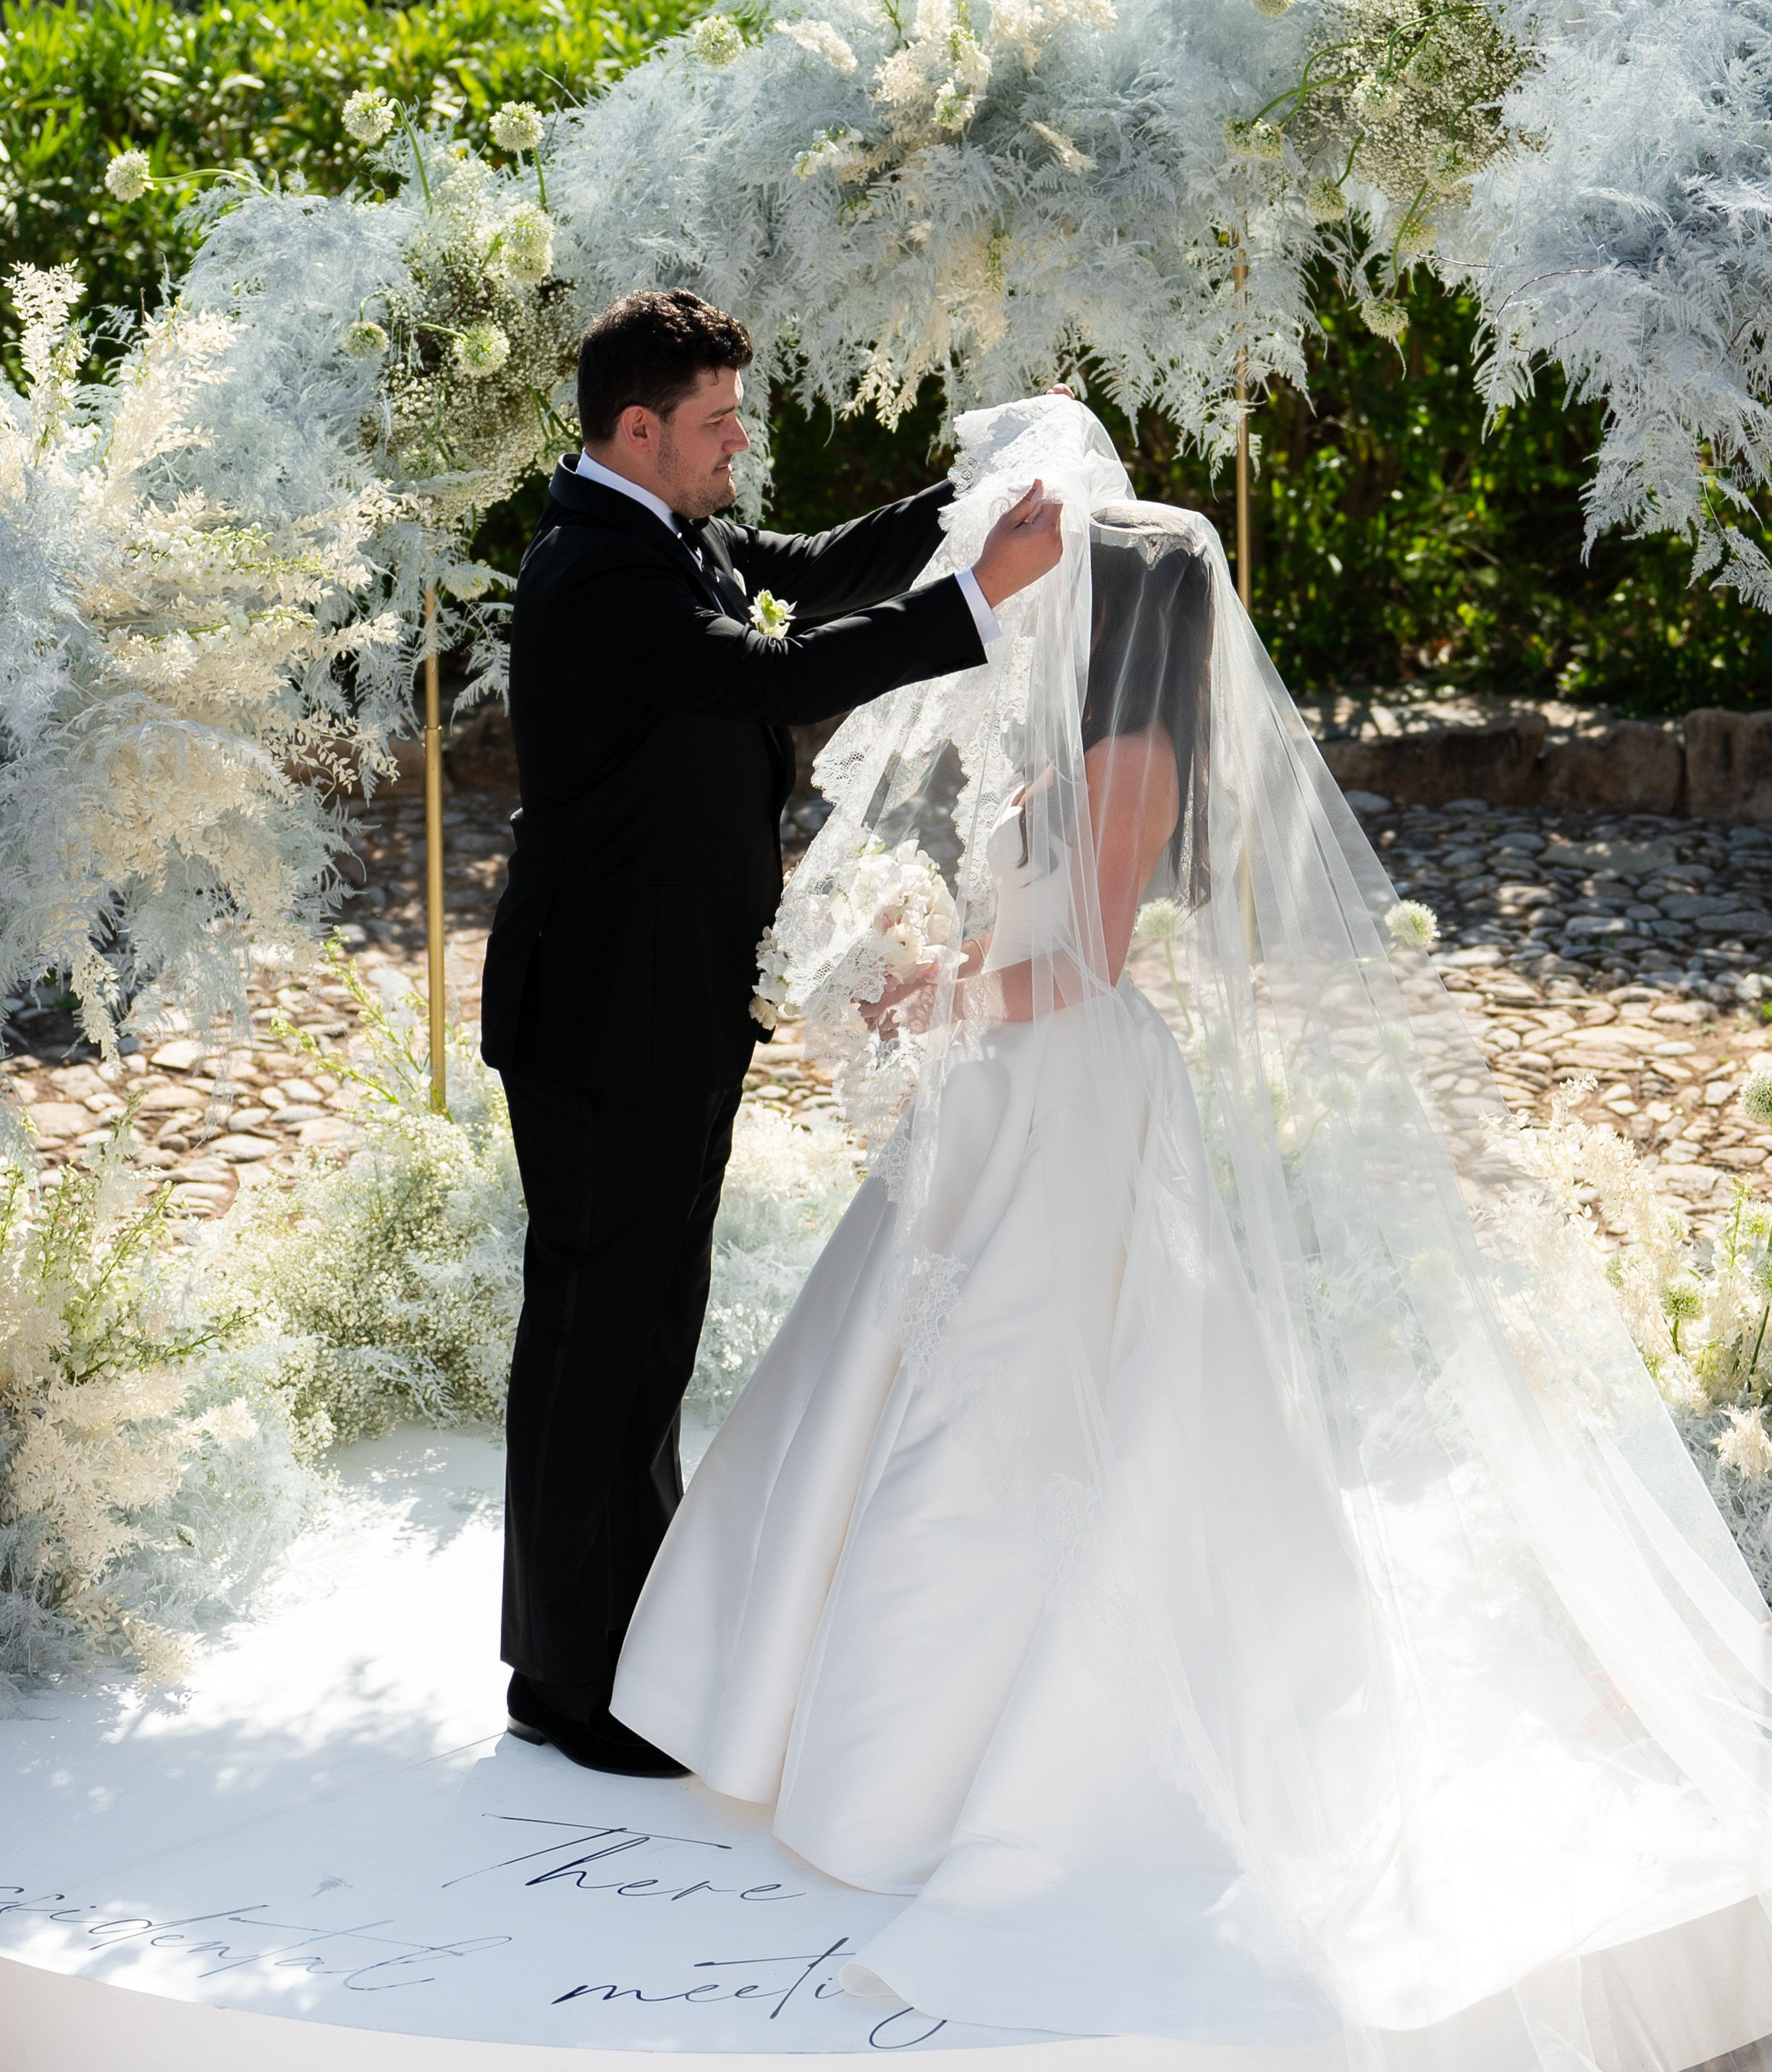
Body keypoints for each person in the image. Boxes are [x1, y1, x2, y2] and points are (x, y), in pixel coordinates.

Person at [612, 395, 1772, 2070]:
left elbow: (1083, 957)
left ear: (1128, 612)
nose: (1044, 597)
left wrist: (932, 981)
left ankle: (978, 1752)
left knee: (1018, 1404)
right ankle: (843, 1719)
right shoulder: (1064, 735)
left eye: (1071, 577)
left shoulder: (1135, 750)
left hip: (1071, 1091)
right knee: (929, 1379)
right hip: (1007, 1095)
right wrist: (913, 961)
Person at [478, 289, 1061, 1777]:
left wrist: (977, 493)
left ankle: (604, 1645)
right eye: (720, 422)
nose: (744, 443)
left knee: (637, 1324)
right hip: (604, 1011)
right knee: (601, 1334)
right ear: (638, 430)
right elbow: (774, 676)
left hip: (662, 1001)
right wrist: (979, 600)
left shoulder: (675, 532)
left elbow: (814, 569)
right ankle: (575, 1684)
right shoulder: (593, 575)